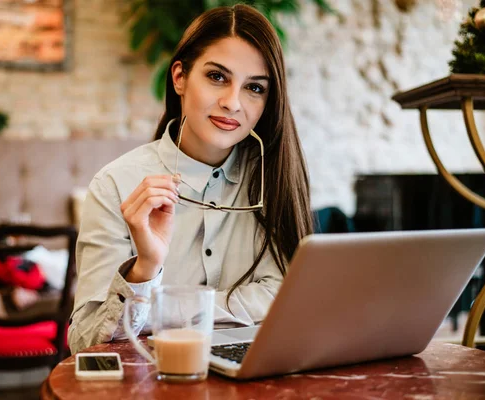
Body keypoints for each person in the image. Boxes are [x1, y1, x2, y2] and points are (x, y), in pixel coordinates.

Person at [68, 4, 313, 354]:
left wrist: (168, 310)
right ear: (180, 77)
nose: (232, 103)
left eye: (254, 88)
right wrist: (146, 269)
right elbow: (85, 341)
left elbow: (290, 299)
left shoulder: (275, 179)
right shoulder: (115, 185)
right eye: (217, 77)